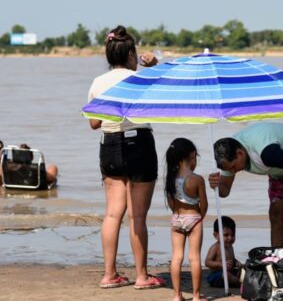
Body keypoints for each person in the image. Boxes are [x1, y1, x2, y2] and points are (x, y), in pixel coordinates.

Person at [86, 25, 164, 289]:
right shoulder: (140, 79)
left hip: (109, 145)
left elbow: (94, 123)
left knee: (112, 215)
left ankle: (109, 275)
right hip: (139, 143)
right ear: (131, 53)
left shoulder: (98, 82)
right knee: (138, 217)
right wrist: (154, 66)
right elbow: (167, 94)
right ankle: (142, 276)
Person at [208, 122, 283, 246]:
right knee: (275, 214)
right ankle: (277, 257)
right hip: (278, 167)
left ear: (240, 153)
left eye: (234, 167)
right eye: (229, 169)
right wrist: (216, 185)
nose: (232, 171)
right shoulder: (226, 157)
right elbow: (224, 191)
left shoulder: (266, 153)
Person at [165, 138, 208, 301]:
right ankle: (196, 296)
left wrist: (177, 213)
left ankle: (177, 295)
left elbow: (170, 202)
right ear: (191, 156)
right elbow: (204, 205)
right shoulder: (196, 179)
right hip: (194, 218)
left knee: (176, 257)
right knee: (194, 257)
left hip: (176, 219)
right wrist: (199, 217)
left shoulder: (171, 177)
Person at [205, 216, 241, 288]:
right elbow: (207, 262)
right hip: (216, 275)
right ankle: (239, 283)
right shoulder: (216, 247)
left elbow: (232, 259)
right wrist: (221, 264)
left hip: (229, 273)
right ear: (216, 235)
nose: (230, 238)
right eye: (226, 235)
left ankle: (238, 281)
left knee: (241, 270)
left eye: (233, 235)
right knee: (225, 275)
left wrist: (236, 262)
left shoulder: (230, 247)